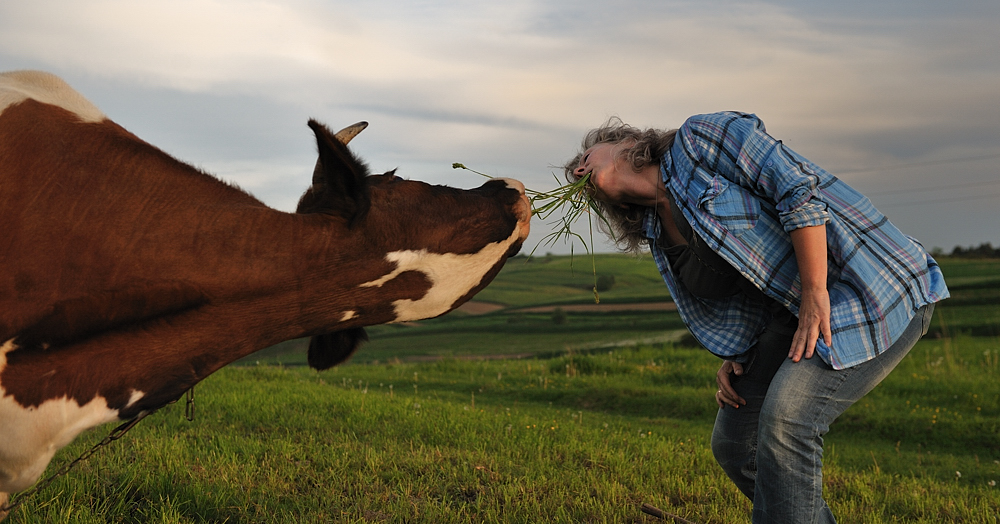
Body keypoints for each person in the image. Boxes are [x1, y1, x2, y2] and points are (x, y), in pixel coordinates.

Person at [564, 111, 949, 523]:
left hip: (871, 285)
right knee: (735, 442)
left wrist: (816, 292)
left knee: (788, 420)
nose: (580, 167)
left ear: (629, 142)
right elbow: (749, 286)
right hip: (796, 314)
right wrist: (743, 353)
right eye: (576, 174)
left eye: (587, 154)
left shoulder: (699, 139)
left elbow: (799, 192)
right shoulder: (661, 235)